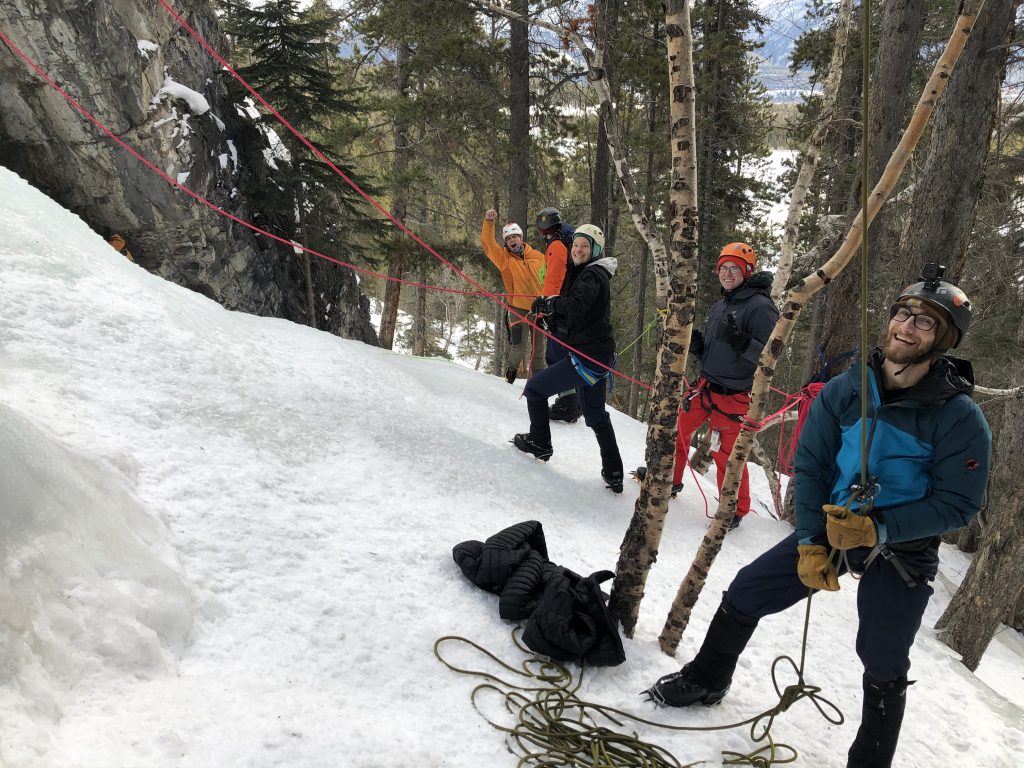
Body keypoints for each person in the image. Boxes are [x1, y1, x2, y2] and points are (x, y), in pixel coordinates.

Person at [643, 265, 992, 768]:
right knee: (746, 589)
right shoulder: (846, 391)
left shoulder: (959, 418)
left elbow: (959, 504)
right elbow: (810, 468)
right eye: (902, 313)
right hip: (831, 524)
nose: (906, 326)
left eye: (925, 322)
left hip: (901, 547)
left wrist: (882, 528)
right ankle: (706, 679)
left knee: (883, 656)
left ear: (945, 340)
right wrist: (810, 540)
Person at [634, 243, 778, 526]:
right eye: (723, 268)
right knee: (677, 431)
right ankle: (669, 480)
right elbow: (717, 347)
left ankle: (734, 508)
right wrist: (700, 348)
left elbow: (771, 357)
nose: (727, 273)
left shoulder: (761, 307)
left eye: (734, 268)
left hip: (734, 395)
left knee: (727, 454)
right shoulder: (722, 304)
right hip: (705, 386)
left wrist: (741, 341)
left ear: (746, 272)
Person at [512, 224, 624, 493]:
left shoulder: (593, 275)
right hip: (597, 356)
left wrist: (551, 305)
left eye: (585, 246)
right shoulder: (585, 273)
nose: (578, 250)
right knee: (595, 414)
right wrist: (550, 310)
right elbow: (577, 313)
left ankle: (540, 443)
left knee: (535, 388)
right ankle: (614, 471)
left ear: (595, 250)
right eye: (576, 245)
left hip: (587, 358)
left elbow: (576, 305)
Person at [481, 209, 545, 384]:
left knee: (538, 349)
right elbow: (488, 244)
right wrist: (489, 222)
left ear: (521, 237)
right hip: (518, 308)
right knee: (518, 347)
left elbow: (546, 279)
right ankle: (509, 380)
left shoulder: (538, 256)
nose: (511, 241)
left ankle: (539, 383)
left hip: (539, 308)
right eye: (508, 239)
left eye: (514, 236)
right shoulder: (503, 259)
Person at [535, 206, 581, 423]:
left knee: (556, 355)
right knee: (567, 353)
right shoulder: (569, 238)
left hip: (560, 307)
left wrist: (546, 307)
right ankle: (573, 401)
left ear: (544, 230)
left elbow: (553, 279)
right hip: (572, 306)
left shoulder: (556, 245)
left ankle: (568, 405)